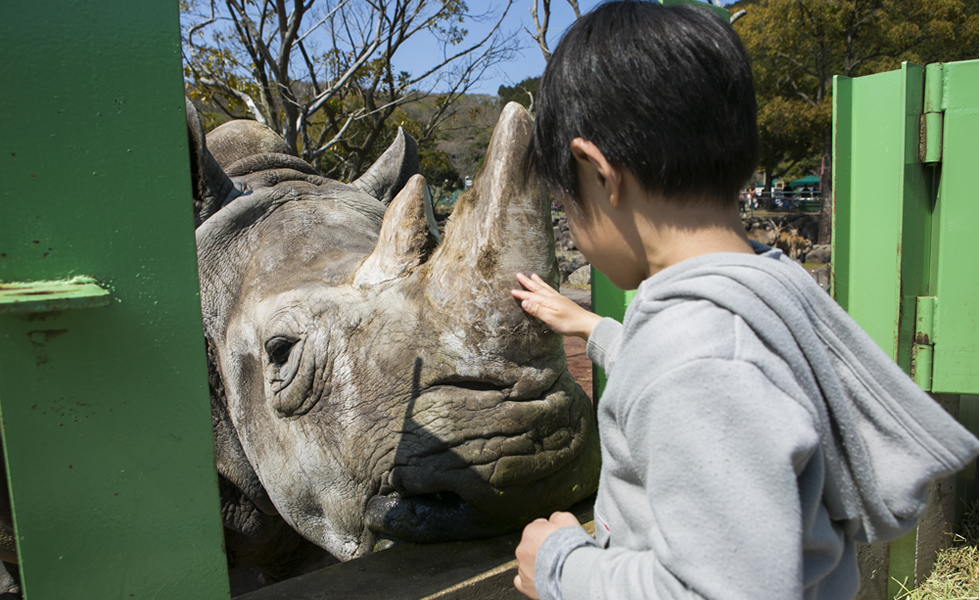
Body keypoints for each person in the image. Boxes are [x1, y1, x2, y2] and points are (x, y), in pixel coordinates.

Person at [508, 2, 978, 599]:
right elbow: (712, 373)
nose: (572, 225)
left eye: (565, 201)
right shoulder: (763, 287)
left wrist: (560, 568)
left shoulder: (700, 359)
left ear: (599, 174)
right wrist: (594, 328)